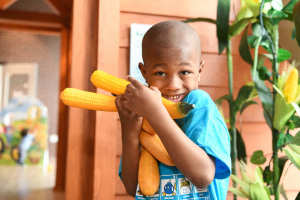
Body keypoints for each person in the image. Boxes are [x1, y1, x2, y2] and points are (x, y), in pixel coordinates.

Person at [116, 21, 231, 200]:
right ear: (144, 73)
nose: (173, 85)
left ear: (199, 71)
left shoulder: (198, 103)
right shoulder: (142, 111)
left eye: (184, 72)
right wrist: (130, 130)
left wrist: (155, 114)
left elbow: (203, 176)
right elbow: (134, 188)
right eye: (160, 73)